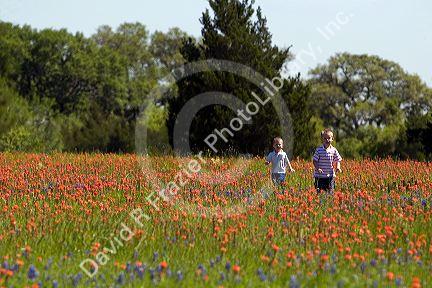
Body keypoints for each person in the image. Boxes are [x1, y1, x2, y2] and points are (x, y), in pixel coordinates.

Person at [313, 128, 342, 193]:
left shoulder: (334, 150)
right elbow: (314, 161)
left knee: (330, 192)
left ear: (332, 139)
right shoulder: (319, 150)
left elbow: (337, 160)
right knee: (319, 192)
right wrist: (317, 168)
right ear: (322, 139)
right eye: (325, 138)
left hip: (330, 176)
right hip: (319, 176)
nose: (327, 140)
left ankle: (329, 201)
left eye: (329, 138)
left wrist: (338, 167)